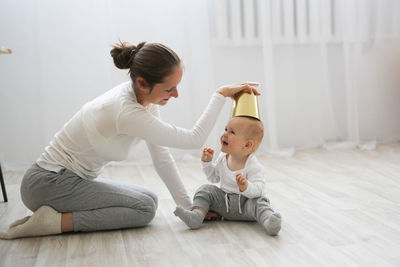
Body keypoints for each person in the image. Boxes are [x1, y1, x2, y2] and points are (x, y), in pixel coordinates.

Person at [0, 40, 259, 239]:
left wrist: (189, 208)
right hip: (48, 183)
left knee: (148, 200)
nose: (176, 94)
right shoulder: (126, 111)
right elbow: (194, 138)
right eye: (169, 89)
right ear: (143, 82)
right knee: (145, 209)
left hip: (64, 181)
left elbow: (162, 158)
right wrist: (221, 94)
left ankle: (55, 217)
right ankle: (51, 223)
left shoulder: (144, 100)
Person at [174, 116, 282, 235]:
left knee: (260, 202)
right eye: (226, 129)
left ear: (247, 145)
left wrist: (246, 186)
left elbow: (259, 189)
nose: (225, 134)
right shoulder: (223, 158)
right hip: (224, 205)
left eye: (232, 132)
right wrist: (207, 163)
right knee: (205, 190)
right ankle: (196, 216)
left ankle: (269, 222)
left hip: (247, 206)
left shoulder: (253, 165)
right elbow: (213, 178)